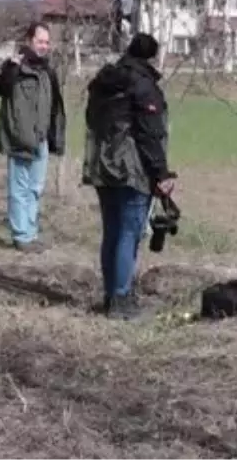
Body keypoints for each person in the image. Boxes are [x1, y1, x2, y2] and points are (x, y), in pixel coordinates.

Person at [82, 32, 175, 320]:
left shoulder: (103, 81)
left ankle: (112, 296)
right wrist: (161, 172)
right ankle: (122, 301)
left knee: (112, 232)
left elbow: (90, 119)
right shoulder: (143, 85)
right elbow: (150, 133)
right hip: (131, 168)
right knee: (129, 233)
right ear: (152, 56)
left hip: (101, 165)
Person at [0, 21, 66, 253]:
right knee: (19, 189)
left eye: (46, 42)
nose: (44, 46)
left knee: (35, 188)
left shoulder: (47, 71)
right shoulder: (15, 67)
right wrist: (9, 68)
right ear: (29, 40)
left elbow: (55, 107)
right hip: (20, 139)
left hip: (41, 139)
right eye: (39, 41)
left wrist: (56, 136)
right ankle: (21, 235)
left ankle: (31, 233)